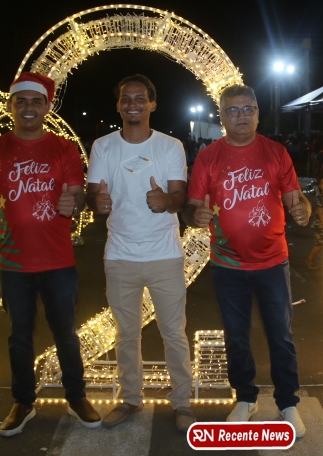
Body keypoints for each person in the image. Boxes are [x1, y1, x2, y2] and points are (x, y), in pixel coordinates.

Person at [0, 72, 100, 436]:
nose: (29, 108)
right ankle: (23, 402)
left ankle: (76, 397)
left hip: (58, 261)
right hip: (13, 262)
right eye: (21, 101)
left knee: (66, 334)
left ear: (47, 107)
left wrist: (73, 203)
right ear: (10, 106)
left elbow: (78, 195)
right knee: (19, 336)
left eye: (36, 102)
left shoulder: (63, 148)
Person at [183, 84, 311, 438]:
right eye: (233, 110)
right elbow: (192, 207)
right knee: (236, 336)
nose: (241, 116)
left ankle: (288, 402)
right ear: (221, 117)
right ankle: (245, 397)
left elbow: (296, 199)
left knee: (280, 335)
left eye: (248, 109)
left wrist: (303, 210)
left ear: (258, 114)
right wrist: (195, 216)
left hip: (273, 263)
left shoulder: (276, 152)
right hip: (227, 265)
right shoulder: (209, 157)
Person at [85, 75, 195, 432]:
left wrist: (166, 201)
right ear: (118, 105)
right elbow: (93, 195)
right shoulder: (103, 146)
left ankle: (182, 402)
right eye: (126, 98)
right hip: (120, 255)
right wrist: (97, 203)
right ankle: (131, 398)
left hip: (164, 254)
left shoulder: (170, 146)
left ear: (152, 104)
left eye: (140, 98)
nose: (132, 104)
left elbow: (180, 196)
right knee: (126, 334)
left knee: (174, 333)